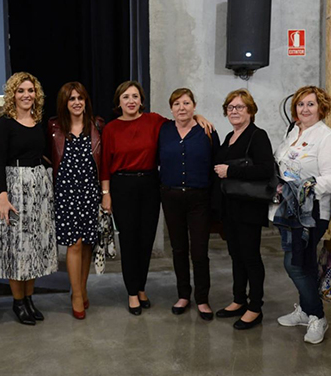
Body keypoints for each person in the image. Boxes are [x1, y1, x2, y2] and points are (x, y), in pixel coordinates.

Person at [101, 80, 212, 315]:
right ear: (119, 102)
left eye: (135, 96)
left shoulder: (154, 121)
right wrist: (106, 193)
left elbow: (181, 117)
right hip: (122, 186)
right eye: (126, 97)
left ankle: (141, 287)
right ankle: (132, 292)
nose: (131, 101)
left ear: (141, 100)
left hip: (150, 185)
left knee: (146, 241)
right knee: (129, 242)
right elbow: (104, 165)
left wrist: (198, 116)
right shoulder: (111, 128)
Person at [272, 85, 331, 344]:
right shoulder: (293, 131)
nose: (305, 109)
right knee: (307, 263)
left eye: (310, 104)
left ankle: (317, 317)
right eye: (300, 104)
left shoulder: (326, 136)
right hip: (287, 210)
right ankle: (305, 310)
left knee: (295, 264)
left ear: (321, 108)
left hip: (311, 212)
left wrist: (306, 187)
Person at [0, 72, 57, 325]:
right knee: (17, 249)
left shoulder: (38, 121)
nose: (26, 95)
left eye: (30, 90)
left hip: (38, 187)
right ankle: (18, 302)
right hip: (14, 188)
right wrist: (2, 196)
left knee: (35, 248)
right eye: (21, 91)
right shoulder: (4, 124)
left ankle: (30, 298)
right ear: (13, 95)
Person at [213, 89, 274, 330]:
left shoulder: (257, 136)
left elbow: (265, 170)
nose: (234, 111)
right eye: (230, 107)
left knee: (250, 257)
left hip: (249, 206)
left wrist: (231, 171)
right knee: (236, 256)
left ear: (250, 110)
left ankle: (255, 307)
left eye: (239, 107)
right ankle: (239, 299)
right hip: (230, 206)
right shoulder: (230, 136)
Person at [158, 88, 218, 320]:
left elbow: (215, 166)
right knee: (179, 249)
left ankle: (202, 299)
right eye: (176, 104)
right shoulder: (163, 130)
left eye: (186, 103)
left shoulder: (207, 132)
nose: (181, 108)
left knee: (200, 251)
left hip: (199, 199)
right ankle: (183, 294)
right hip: (171, 197)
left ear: (194, 105)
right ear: (171, 108)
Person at [48, 82, 105, 319]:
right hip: (66, 194)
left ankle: (82, 288)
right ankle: (77, 295)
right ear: (65, 103)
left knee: (88, 244)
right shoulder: (54, 127)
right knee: (74, 243)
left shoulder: (97, 126)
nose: (77, 102)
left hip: (90, 193)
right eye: (71, 99)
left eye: (80, 98)